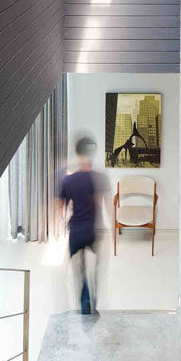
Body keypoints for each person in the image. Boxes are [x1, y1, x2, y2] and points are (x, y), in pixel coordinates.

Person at [57, 135, 109, 315]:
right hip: (93, 230)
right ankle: (91, 295)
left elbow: (60, 208)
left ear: (77, 154)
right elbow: (105, 204)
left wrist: (63, 224)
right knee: (95, 267)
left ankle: (84, 297)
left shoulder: (68, 180)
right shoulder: (99, 178)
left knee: (78, 268)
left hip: (76, 231)